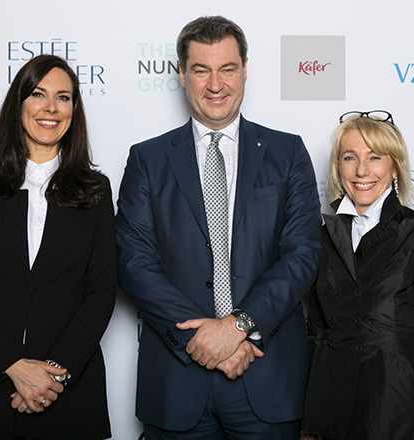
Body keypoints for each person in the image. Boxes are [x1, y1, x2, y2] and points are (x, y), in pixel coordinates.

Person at [116, 15, 322, 439]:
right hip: (176, 382)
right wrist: (209, 339)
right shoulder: (147, 160)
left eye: (227, 69)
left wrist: (237, 327)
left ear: (245, 70)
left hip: (266, 379)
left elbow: (301, 255)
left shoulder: (287, 153)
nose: (216, 84)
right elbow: (134, 264)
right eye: (201, 70)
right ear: (181, 74)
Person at [0, 55, 116, 440]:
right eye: (38, 94)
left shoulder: (96, 192)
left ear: (74, 110)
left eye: (63, 97)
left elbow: (101, 294)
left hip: (66, 391)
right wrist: (14, 366)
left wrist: (53, 373)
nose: (51, 108)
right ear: (18, 105)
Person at [302, 111, 414, 440]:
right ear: (338, 167)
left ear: (393, 167)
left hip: (393, 407)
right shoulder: (321, 237)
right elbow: (315, 334)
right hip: (329, 411)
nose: (362, 171)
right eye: (350, 157)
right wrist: (308, 420)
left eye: (374, 157)